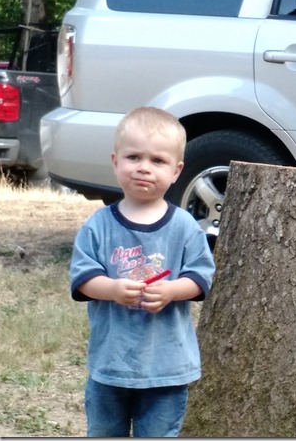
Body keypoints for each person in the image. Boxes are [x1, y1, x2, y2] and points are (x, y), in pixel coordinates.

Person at [69, 107, 216, 437]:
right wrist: (112, 289)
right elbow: (83, 277)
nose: (144, 168)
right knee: (104, 432)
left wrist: (172, 291)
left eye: (158, 160)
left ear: (176, 171)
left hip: (167, 368)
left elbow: (201, 276)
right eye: (133, 157)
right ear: (115, 161)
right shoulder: (97, 226)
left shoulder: (185, 227)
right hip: (110, 364)